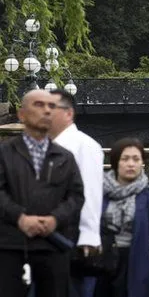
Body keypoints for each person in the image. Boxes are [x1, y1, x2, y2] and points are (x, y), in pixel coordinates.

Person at [0, 89, 85, 297]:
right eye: (39, 105)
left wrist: (55, 219)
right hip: (11, 246)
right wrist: (20, 218)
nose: (47, 110)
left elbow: (76, 196)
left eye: (51, 106)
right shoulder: (5, 153)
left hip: (53, 245)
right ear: (22, 115)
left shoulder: (65, 157)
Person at [49, 89, 104, 297]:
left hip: (74, 239)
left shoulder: (84, 145)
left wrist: (89, 238)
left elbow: (90, 193)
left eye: (51, 108)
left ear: (68, 113)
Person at [95, 138, 149, 297]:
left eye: (136, 159)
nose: (131, 164)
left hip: (137, 260)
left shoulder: (148, 195)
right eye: (125, 159)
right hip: (102, 261)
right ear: (116, 161)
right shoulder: (99, 191)